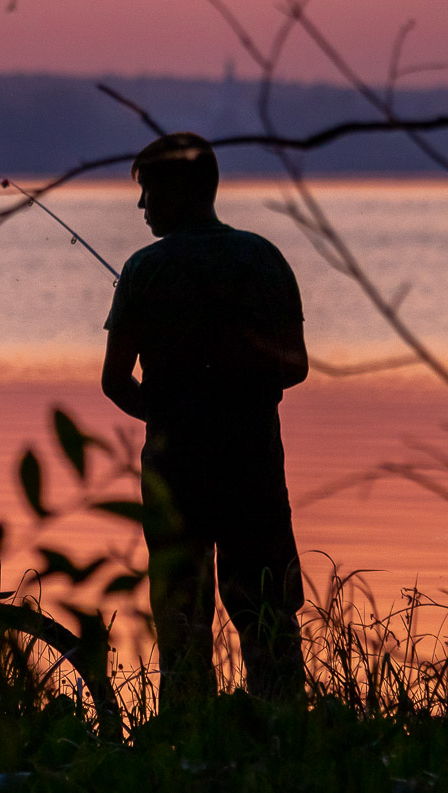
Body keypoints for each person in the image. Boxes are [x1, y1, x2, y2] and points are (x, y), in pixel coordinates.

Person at [101, 132, 309, 708]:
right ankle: (282, 730)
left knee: (182, 616)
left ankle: (187, 739)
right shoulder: (264, 258)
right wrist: (239, 389)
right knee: (268, 611)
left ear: (181, 191)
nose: (142, 208)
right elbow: (296, 368)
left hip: (176, 473)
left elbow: (115, 382)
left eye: (148, 193)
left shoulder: (143, 271)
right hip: (254, 467)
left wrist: (169, 414)